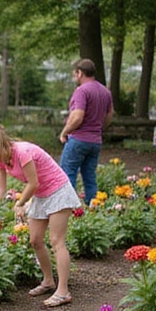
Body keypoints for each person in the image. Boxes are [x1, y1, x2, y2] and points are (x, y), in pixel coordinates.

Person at [0, 122, 81, 307]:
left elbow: (33, 183)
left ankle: (63, 291)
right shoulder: (1, 160)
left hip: (58, 191)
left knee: (57, 242)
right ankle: (49, 281)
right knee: (35, 240)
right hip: (41, 195)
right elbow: (0, 188)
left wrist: (20, 203)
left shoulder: (22, 152)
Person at [59, 58, 113, 206]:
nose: (74, 77)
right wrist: (99, 128)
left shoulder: (81, 91)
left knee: (67, 173)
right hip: (95, 141)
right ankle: (93, 207)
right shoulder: (105, 92)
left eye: (75, 74)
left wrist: (64, 132)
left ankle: (69, 208)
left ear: (80, 73)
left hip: (78, 139)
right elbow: (109, 115)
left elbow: (77, 117)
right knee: (89, 176)